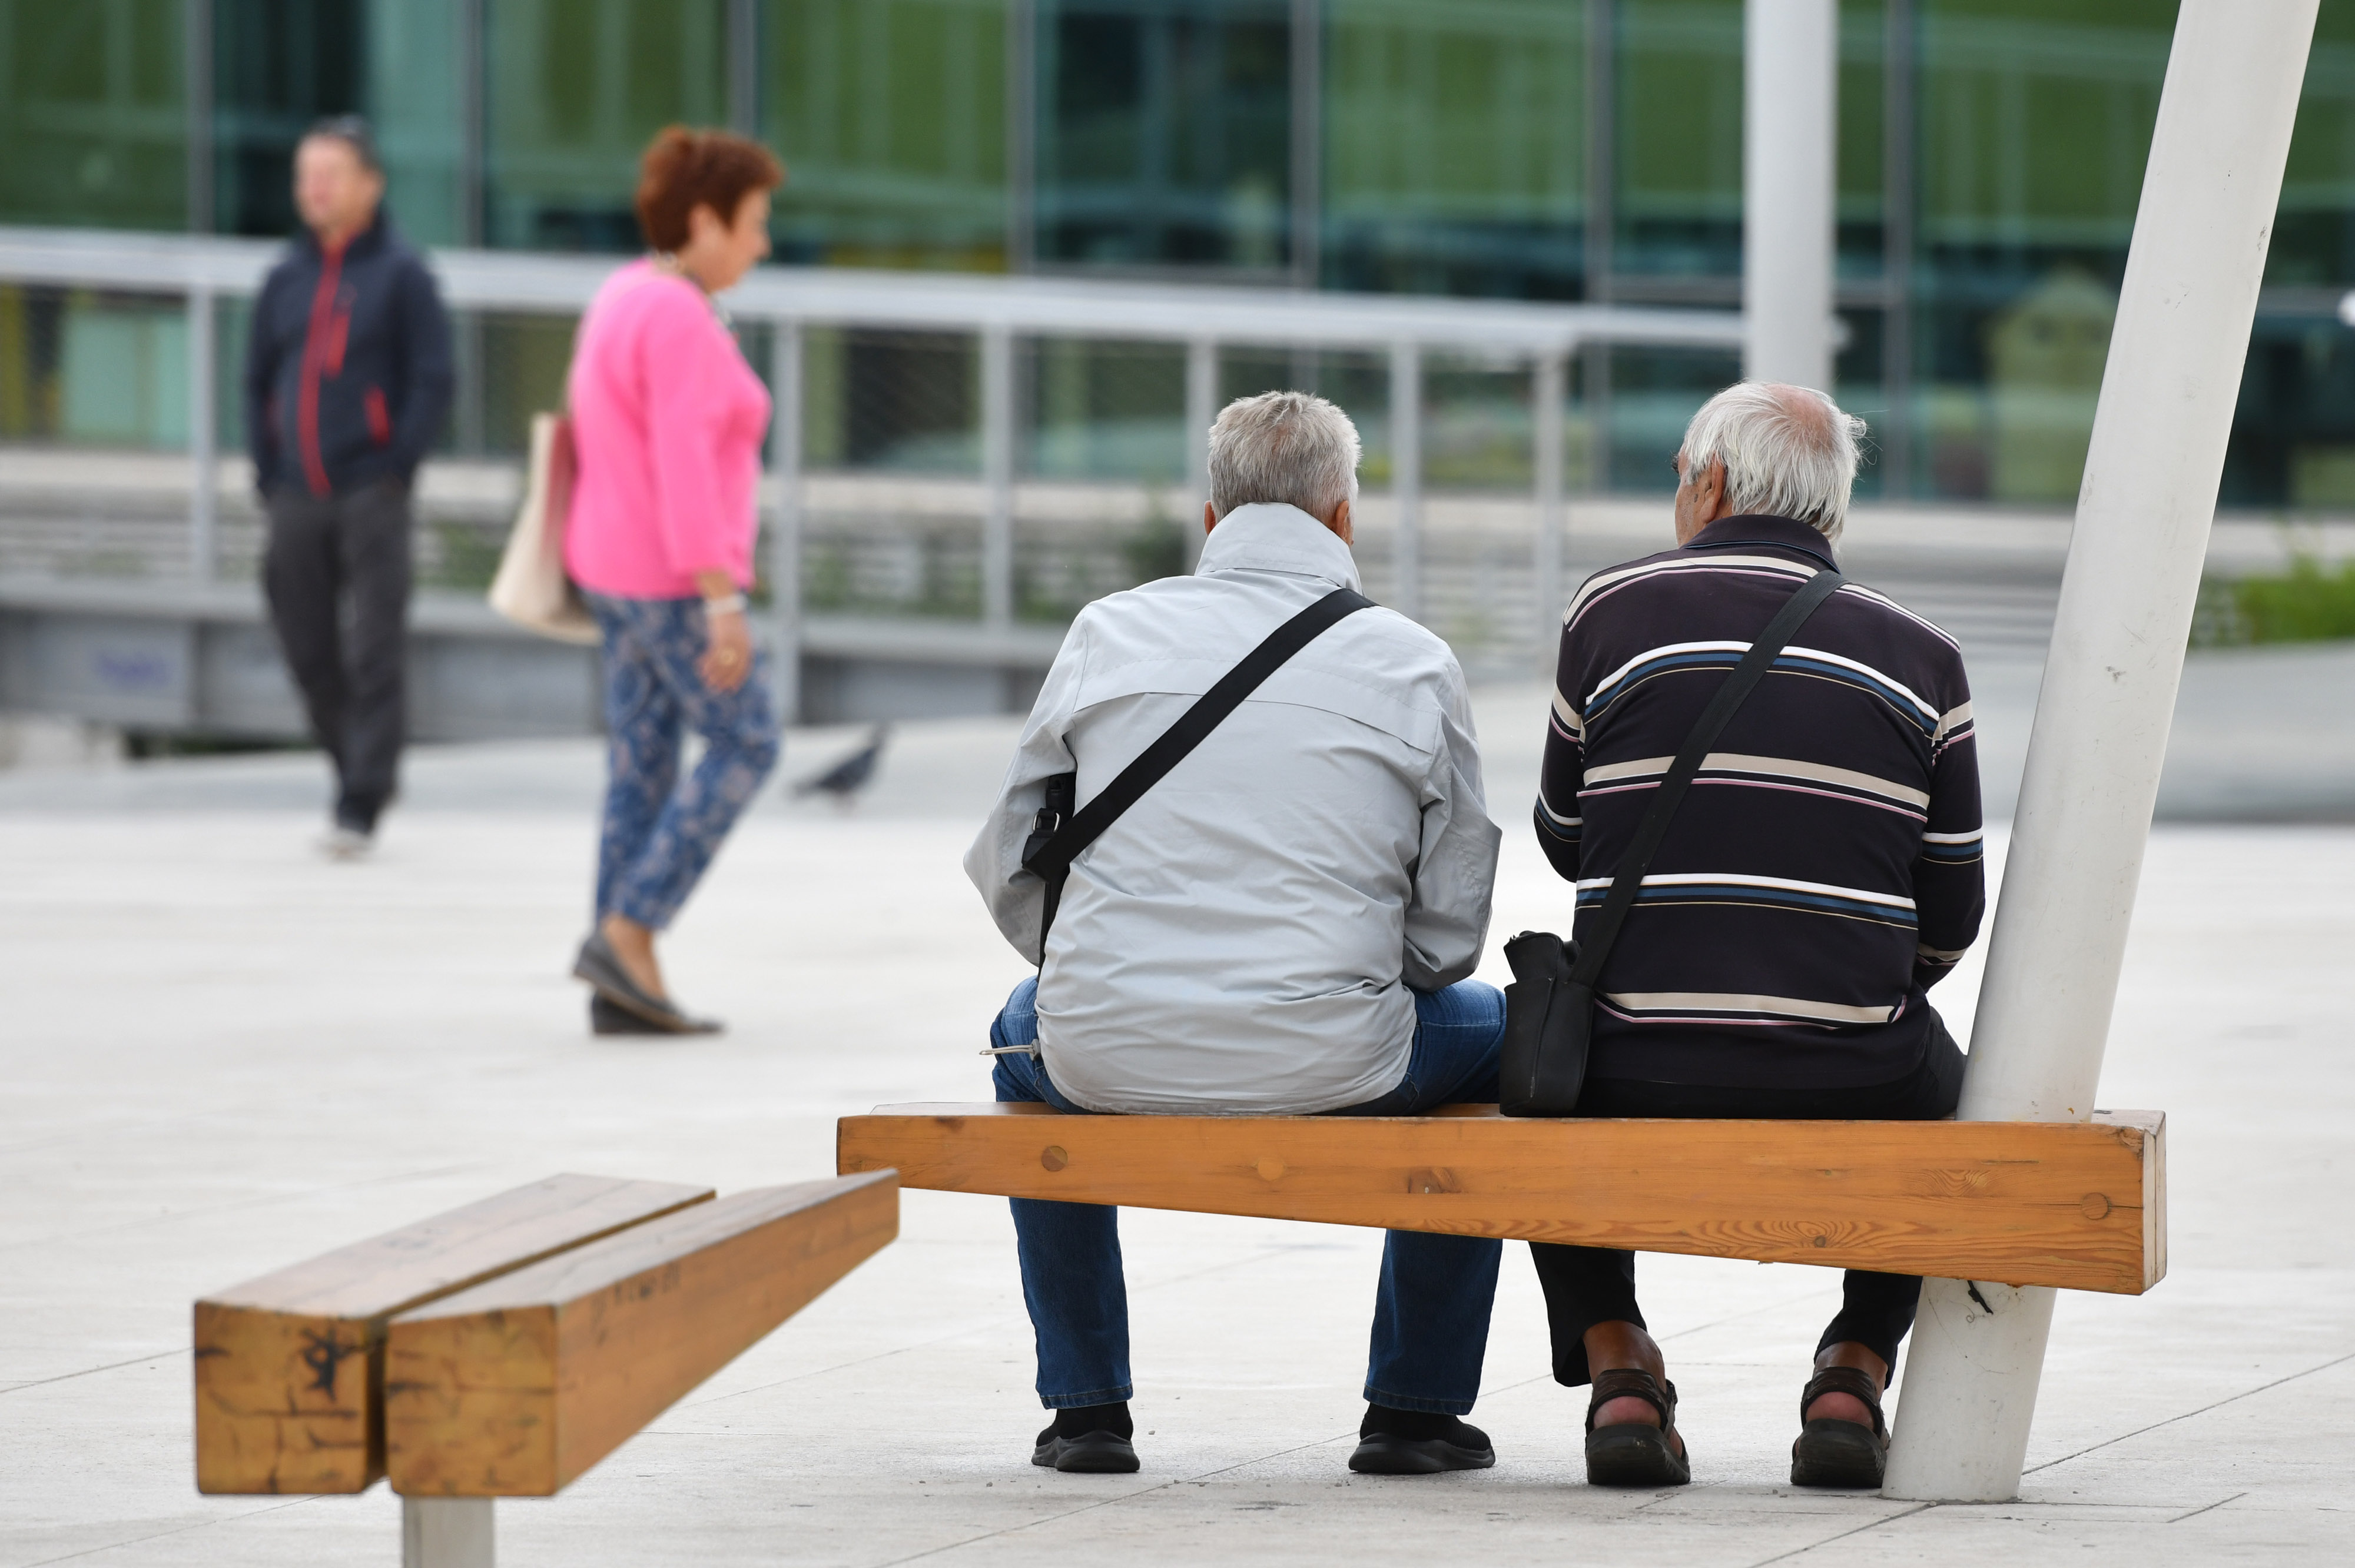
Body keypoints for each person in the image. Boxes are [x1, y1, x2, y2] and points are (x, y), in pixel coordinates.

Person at [966, 391, 1507, 1478]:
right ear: (1344, 517)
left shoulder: (1106, 630)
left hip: (1100, 1045)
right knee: (1503, 1038)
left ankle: (1086, 1410)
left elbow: (1010, 856)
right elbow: (1450, 931)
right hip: (1345, 1052)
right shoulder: (1412, 659)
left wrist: (1101, 969)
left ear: (1212, 519)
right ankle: (1412, 1407)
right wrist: (1350, 980)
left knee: (1021, 1045)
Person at [1528, 381, 1985, 1490]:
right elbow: (1955, 911)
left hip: (1636, 1057)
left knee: (1543, 1063)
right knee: (1955, 1094)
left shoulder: (1609, 611)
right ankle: (1855, 1363)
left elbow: (1563, 837)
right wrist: (1843, 980)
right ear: (1831, 508)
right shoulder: (1922, 656)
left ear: (1713, 483)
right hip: (1857, 1067)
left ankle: (1619, 1363)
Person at [563, 127, 785, 1036]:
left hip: (609, 569)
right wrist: (721, 596)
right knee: (749, 740)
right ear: (706, 220)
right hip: (671, 580)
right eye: (754, 223)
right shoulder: (682, 318)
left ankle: (621, 979)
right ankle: (629, 929)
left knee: (642, 762)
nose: (762, 243)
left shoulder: (624, 292)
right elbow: (685, 467)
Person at [245, 116, 453, 859]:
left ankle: (361, 799)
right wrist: (266, 472)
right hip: (296, 491)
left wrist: (397, 464)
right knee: (304, 640)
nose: (315, 190)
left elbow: (434, 379)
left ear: (371, 184)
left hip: (373, 489)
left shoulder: (403, 276)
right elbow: (257, 381)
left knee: (374, 647)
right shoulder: (285, 279)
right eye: (306, 176)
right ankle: (353, 763)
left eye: (330, 175)